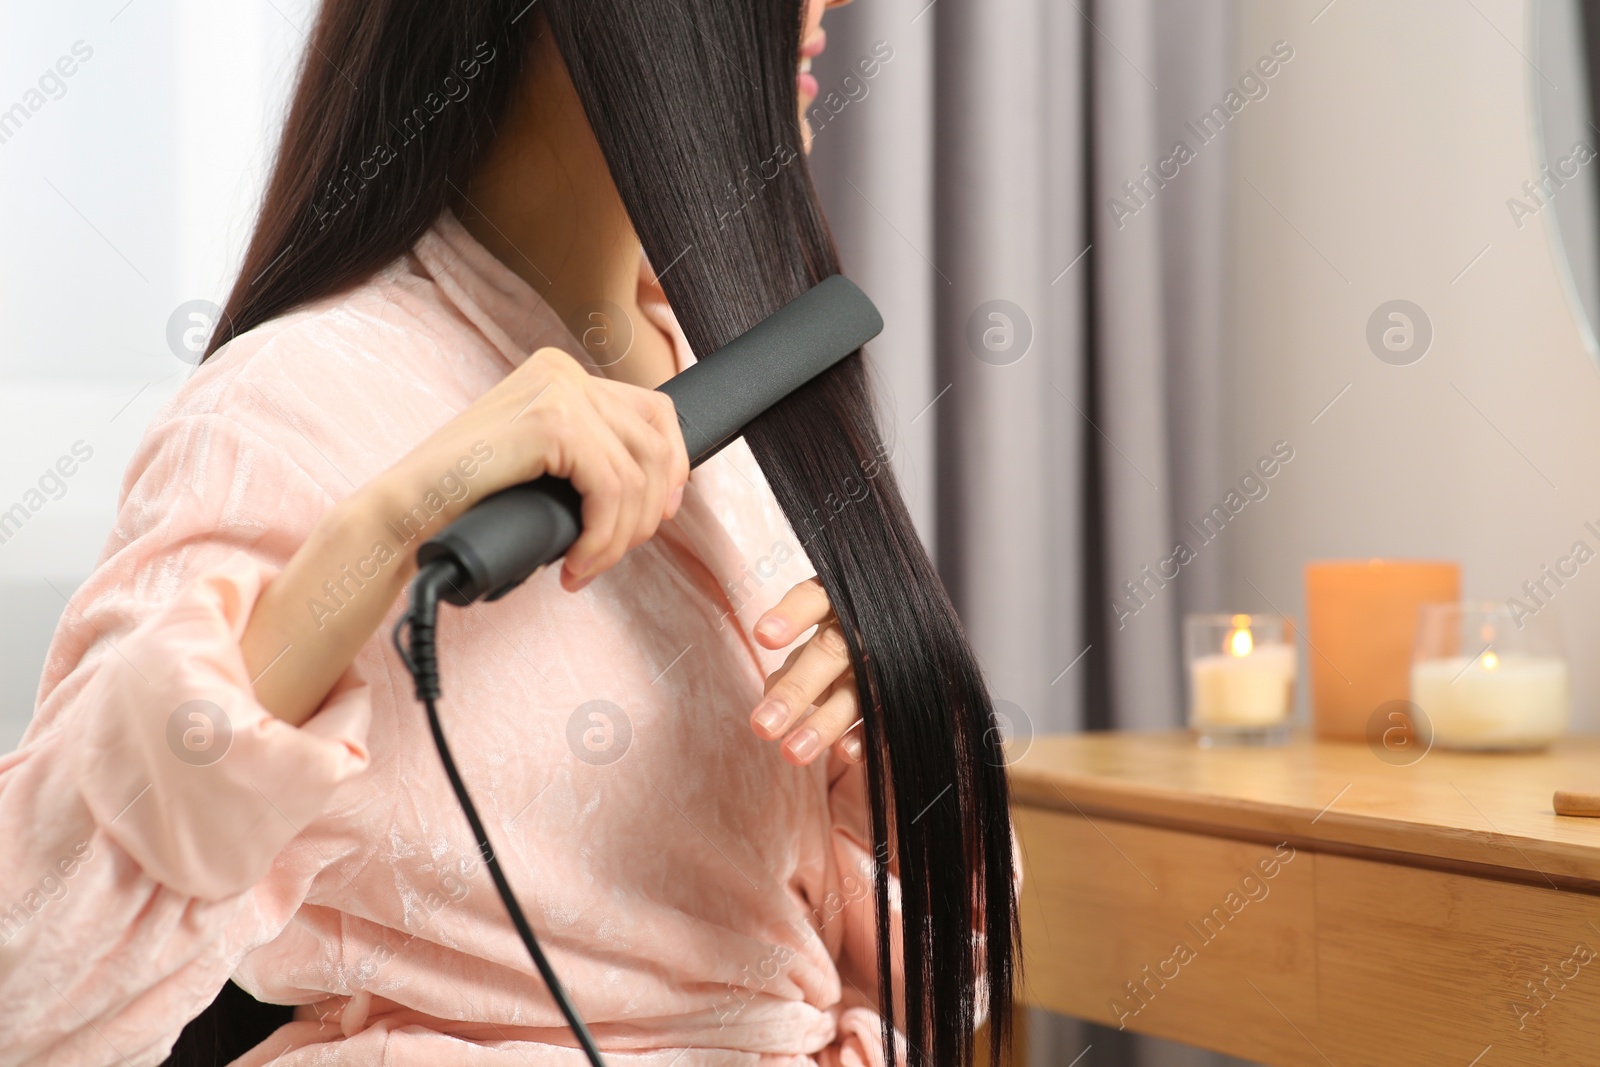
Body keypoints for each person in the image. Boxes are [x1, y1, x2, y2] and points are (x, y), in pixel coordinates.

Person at [0, 0, 1019, 1063]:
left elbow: (947, 978)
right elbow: (30, 986)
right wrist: (389, 527)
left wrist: (900, 763)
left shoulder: (748, 403)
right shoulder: (290, 404)